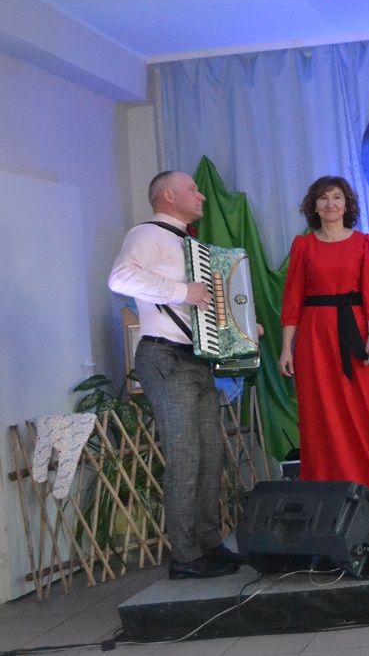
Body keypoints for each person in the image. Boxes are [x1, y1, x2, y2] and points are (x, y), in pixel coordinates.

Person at [108, 170, 239, 578]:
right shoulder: (146, 233)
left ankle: (210, 543)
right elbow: (120, 278)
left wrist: (241, 329)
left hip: (195, 358)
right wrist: (183, 292)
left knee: (210, 455)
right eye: (192, 190)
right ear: (168, 195)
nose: (201, 196)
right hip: (164, 356)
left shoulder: (189, 244)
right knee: (185, 457)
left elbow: (200, 310)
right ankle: (185, 556)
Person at [279, 176, 369, 515]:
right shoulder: (303, 245)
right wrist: (286, 348)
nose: (330, 204)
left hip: (355, 335)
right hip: (315, 339)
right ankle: (329, 501)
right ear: (314, 206)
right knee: (323, 415)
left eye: (337, 197)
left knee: (365, 411)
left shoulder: (363, 242)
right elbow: (292, 299)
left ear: (347, 204)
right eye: (323, 198)